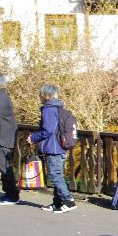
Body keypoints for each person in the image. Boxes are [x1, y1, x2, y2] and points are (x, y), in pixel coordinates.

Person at [26, 85, 76, 213]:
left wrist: (33, 138)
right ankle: (58, 203)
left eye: (40, 94)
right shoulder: (58, 107)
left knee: (55, 175)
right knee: (57, 175)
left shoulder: (48, 109)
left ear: (45, 95)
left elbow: (48, 130)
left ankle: (68, 200)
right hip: (60, 147)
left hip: (53, 147)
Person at [0, 72, 20, 205]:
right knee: (4, 166)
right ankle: (10, 194)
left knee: (4, 167)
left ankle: (12, 195)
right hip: (3, 136)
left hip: (2, 137)